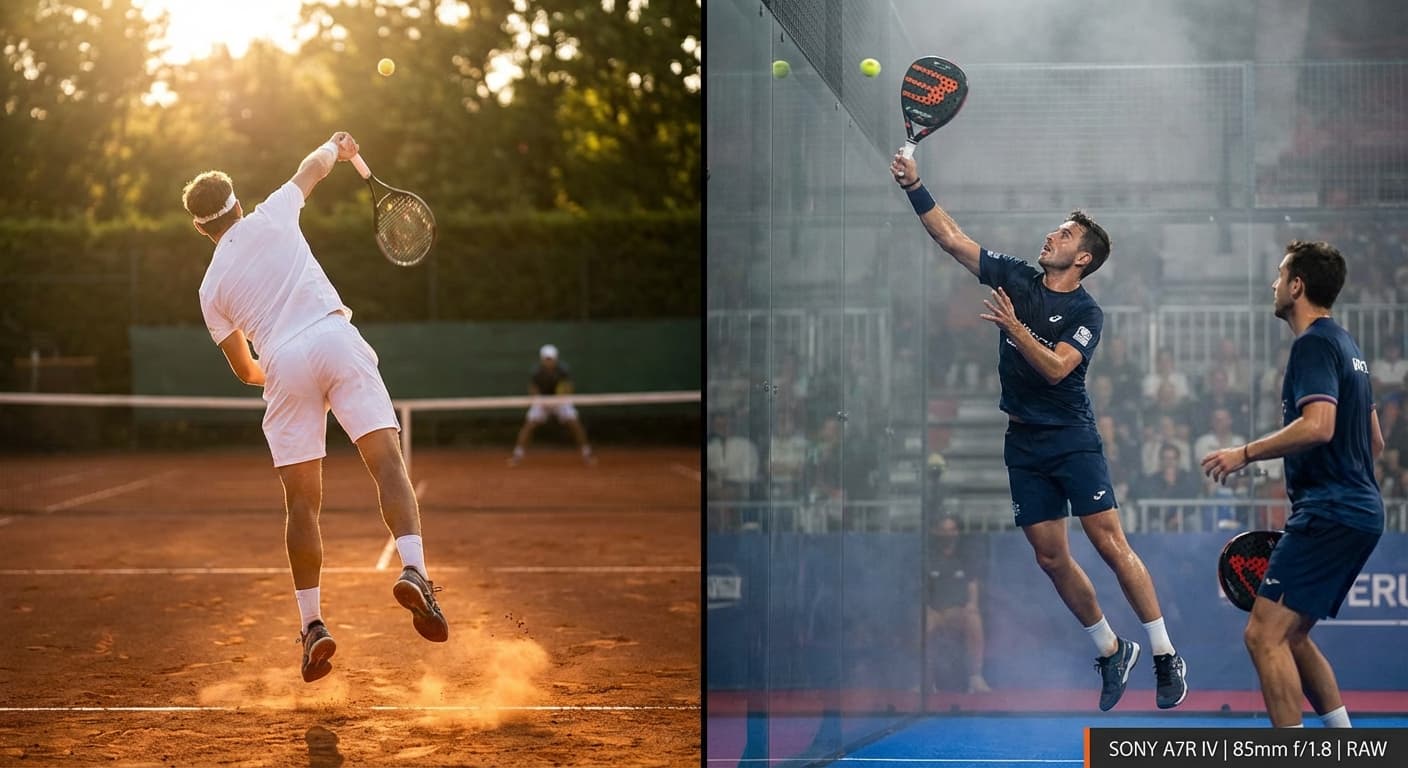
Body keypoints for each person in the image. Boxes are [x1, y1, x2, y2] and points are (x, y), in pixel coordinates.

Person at [889, 151, 1188, 711]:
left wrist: (1014, 327)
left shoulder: (1087, 312)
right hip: (1022, 441)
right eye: (1057, 227)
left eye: (1066, 232)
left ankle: (1165, 654)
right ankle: (1110, 648)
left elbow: (1055, 368)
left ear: (1084, 257)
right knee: (1050, 557)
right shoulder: (1018, 276)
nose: (1053, 234)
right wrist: (915, 185)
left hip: (1071, 435)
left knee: (1107, 541)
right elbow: (952, 239)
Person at [183, 132, 449, 684]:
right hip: (334, 338)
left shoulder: (210, 289)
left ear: (199, 227)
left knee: (301, 504)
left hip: (281, 362)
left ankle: (313, 627)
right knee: (388, 465)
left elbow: (243, 369)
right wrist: (337, 146)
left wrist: (275, 374)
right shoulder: (273, 212)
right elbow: (312, 167)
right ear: (235, 201)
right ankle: (416, 571)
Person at [1202, 240, 1385, 729]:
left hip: (1330, 510)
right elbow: (1376, 442)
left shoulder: (1313, 345)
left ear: (1297, 286)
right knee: (1293, 636)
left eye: (1281, 275)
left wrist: (1244, 453)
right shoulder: (1348, 346)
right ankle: (1342, 743)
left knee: (1263, 636)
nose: (1274, 284)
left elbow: (1319, 425)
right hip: (1360, 510)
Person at [924, 515, 991, 694]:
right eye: (944, 530)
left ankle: (975, 677)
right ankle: (926, 682)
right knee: (923, 624)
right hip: (935, 612)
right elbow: (921, 589)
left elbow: (972, 585)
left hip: (958, 612)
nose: (948, 534)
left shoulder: (965, 557)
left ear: (958, 532)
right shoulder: (928, 557)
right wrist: (928, 609)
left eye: (952, 530)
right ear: (935, 532)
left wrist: (972, 605)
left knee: (973, 619)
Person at [508, 344, 595, 466]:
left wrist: (561, 395)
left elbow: (569, 387)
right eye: (546, 359)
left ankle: (587, 454)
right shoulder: (536, 371)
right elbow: (533, 389)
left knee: (575, 424)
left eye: (551, 359)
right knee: (529, 426)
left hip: (561, 401)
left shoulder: (563, 370)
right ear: (542, 359)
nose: (549, 361)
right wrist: (540, 400)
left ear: (556, 359)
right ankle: (518, 455)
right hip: (542, 400)